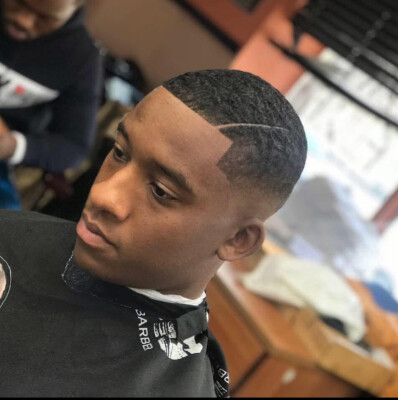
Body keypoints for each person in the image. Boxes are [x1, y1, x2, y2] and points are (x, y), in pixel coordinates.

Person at [0, 69, 307, 397]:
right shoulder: (18, 228)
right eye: (120, 153)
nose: (103, 195)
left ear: (238, 240)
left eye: (161, 192)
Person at [0, 0, 102, 209]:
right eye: (19, 2)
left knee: (10, 221)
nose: (24, 21)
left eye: (46, 18)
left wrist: (13, 146)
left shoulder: (80, 59)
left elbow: (74, 146)